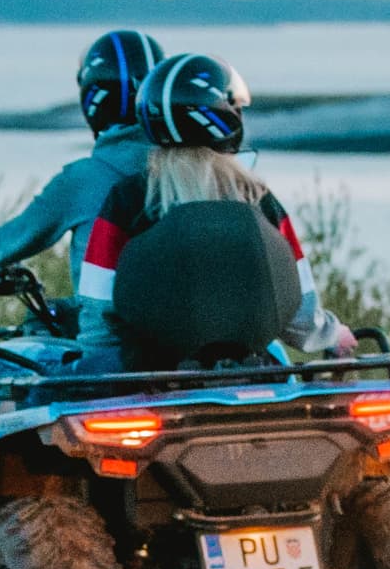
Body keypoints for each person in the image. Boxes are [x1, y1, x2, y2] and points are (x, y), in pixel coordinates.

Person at [67, 52, 353, 366]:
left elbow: (98, 307)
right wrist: (332, 334)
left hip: (149, 377)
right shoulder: (258, 199)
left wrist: (95, 365)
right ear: (226, 118)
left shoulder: (128, 200)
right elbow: (299, 311)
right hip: (252, 370)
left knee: (38, 378)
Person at [0, 29, 165, 272]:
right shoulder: (191, 168)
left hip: (104, 309)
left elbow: (19, 236)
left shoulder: (84, 179)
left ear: (93, 97)